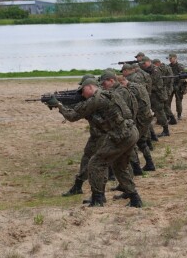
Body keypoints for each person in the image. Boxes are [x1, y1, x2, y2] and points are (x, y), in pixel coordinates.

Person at [47, 78, 143, 207]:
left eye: (83, 90)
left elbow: (73, 116)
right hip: (131, 131)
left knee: (96, 163)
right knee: (119, 166)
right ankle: (135, 198)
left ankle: (98, 199)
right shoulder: (110, 93)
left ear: (91, 87)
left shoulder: (96, 99)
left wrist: (59, 105)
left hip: (120, 136)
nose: (81, 93)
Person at [99, 70, 145, 176]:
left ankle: (117, 172)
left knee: (120, 147)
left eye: (105, 83)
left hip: (125, 123)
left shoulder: (120, 91)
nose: (103, 86)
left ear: (111, 81)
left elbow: (122, 108)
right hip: (127, 122)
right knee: (129, 148)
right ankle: (136, 169)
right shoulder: (119, 90)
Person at [118, 75, 156, 171]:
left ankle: (136, 167)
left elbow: (131, 106)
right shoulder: (138, 86)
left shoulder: (131, 90)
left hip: (140, 119)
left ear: (122, 82)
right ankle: (149, 163)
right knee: (142, 142)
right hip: (146, 116)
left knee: (133, 142)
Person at [140, 56, 170, 137]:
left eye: (144, 63)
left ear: (149, 61)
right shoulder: (147, 70)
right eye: (142, 63)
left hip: (157, 95)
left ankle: (166, 130)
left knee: (160, 112)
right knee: (157, 112)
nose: (143, 65)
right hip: (152, 94)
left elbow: (158, 85)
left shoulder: (155, 70)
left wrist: (146, 88)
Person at [153, 58, 177, 125]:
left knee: (164, 105)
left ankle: (170, 119)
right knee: (165, 105)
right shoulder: (167, 67)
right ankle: (171, 119)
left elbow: (163, 80)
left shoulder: (162, 69)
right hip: (167, 88)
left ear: (157, 63)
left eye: (154, 65)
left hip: (165, 89)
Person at [167, 53, 187, 121]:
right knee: (168, 101)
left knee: (178, 101)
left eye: (171, 58)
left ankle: (179, 114)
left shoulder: (180, 66)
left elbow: (183, 77)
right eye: (169, 59)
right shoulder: (168, 67)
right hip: (170, 86)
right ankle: (169, 115)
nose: (170, 60)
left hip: (179, 86)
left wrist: (181, 86)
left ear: (175, 58)